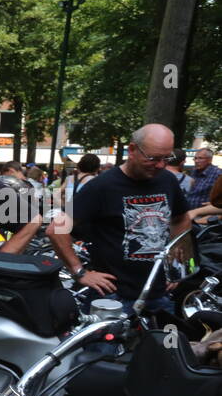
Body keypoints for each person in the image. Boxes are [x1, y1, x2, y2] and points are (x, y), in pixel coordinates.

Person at [41, 123, 190, 314]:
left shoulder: (167, 179)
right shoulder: (102, 186)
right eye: (153, 158)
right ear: (133, 150)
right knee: (103, 345)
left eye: (165, 158)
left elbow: (181, 218)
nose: (160, 165)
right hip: (113, 298)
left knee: (167, 344)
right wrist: (79, 272)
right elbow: (56, 229)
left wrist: (176, 267)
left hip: (158, 294)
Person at [188, 149, 220, 225]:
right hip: (189, 214)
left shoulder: (218, 174)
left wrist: (215, 203)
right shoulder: (194, 171)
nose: (196, 161)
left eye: (200, 158)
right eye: (195, 158)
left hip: (204, 218)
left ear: (209, 160)